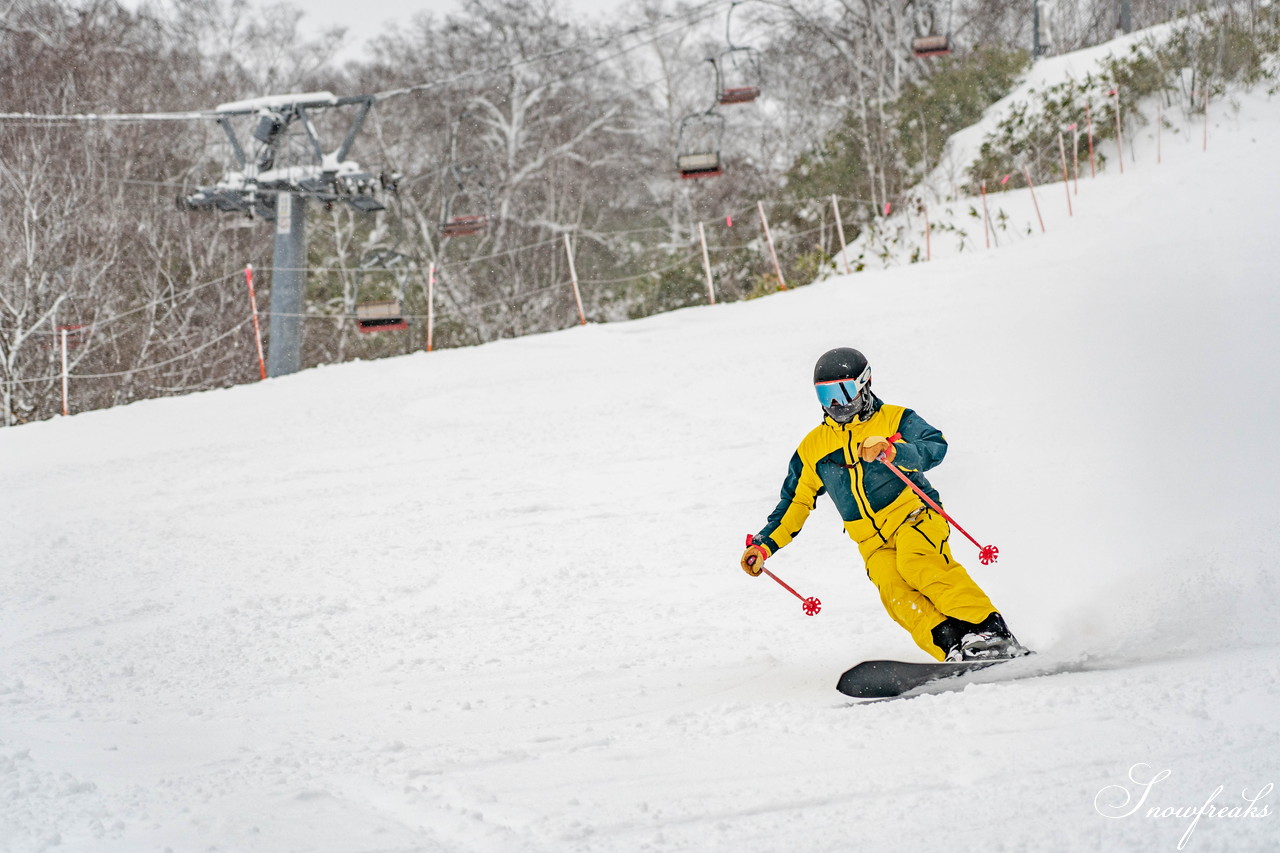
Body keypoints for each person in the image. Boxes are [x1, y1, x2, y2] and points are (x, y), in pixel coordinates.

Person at [739, 347, 1028, 662]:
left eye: (843, 392)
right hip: (872, 543)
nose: (837, 404)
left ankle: (988, 632)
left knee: (918, 565)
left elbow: (934, 446)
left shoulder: (894, 419)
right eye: (826, 396)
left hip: (915, 516)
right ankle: (952, 646)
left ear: (864, 384)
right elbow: (794, 504)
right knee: (895, 593)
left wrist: (894, 451)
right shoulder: (813, 448)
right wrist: (764, 545)